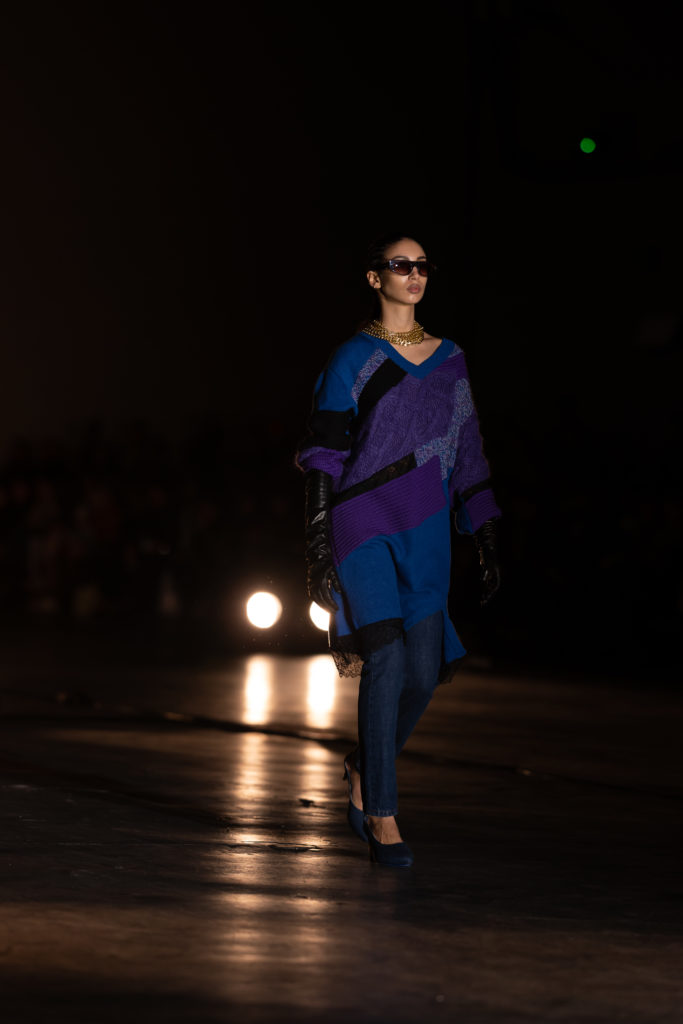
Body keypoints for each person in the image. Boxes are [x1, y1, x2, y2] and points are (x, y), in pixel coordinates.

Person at [296, 233, 501, 867]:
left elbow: (468, 449)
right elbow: (324, 451)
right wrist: (318, 542)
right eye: (401, 265)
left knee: (421, 671)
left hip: (428, 526)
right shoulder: (352, 357)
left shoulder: (451, 360)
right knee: (385, 656)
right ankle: (382, 814)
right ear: (374, 277)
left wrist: (485, 531)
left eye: (422, 267)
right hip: (363, 518)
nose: (415, 275)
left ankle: (364, 764)